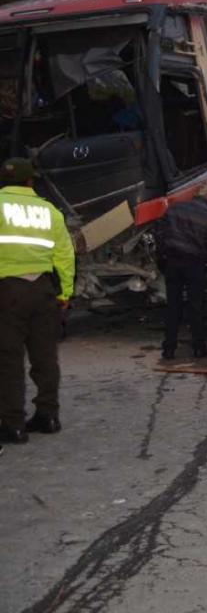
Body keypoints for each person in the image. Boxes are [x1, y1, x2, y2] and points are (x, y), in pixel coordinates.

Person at [0, 158, 75, 447]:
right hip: (42, 290)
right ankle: (48, 416)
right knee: (45, 357)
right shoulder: (49, 211)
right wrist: (64, 293)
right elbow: (65, 256)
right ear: (30, 181)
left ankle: (13, 424)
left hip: (7, 291)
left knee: (8, 359)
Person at [156, 181, 207, 359]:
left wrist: (162, 259)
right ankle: (199, 347)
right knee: (196, 307)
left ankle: (169, 348)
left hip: (173, 262)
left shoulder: (174, 209)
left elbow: (160, 235)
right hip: (195, 265)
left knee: (173, 306)